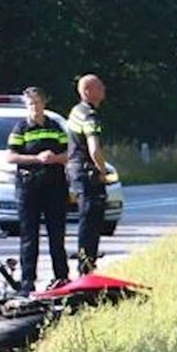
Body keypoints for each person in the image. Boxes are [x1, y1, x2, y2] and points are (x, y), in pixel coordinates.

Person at [7, 87, 70, 295]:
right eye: (30, 104)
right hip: (29, 186)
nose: (34, 108)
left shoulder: (55, 126)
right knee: (29, 236)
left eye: (37, 103)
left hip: (54, 186)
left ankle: (61, 278)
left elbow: (68, 153)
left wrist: (54, 158)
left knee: (57, 234)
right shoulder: (21, 128)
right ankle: (27, 283)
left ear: (44, 103)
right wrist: (36, 159)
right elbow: (11, 156)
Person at [67, 74, 109, 275]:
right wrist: (103, 170)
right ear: (87, 91)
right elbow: (94, 148)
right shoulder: (90, 116)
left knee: (87, 218)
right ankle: (86, 267)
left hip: (75, 169)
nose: (104, 89)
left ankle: (86, 264)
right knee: (91, 221)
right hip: (87, 172)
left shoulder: (75, 111)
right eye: (99, 87)